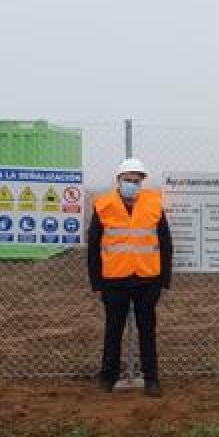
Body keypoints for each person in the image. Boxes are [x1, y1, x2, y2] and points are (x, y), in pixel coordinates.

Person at [87, 157, 172, 396]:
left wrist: (164, 280)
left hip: (147, 279)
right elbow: (93, 246)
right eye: (128, 180)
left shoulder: (154, 203)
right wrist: (96, 282)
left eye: (137, 180)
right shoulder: (103, 205)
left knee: (147, 330)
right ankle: (108, 378)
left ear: (142, 182)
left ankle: (151, 379)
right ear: (119, 180)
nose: (132, 184)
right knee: (113, 330)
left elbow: (165, 243)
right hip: (114, 280)